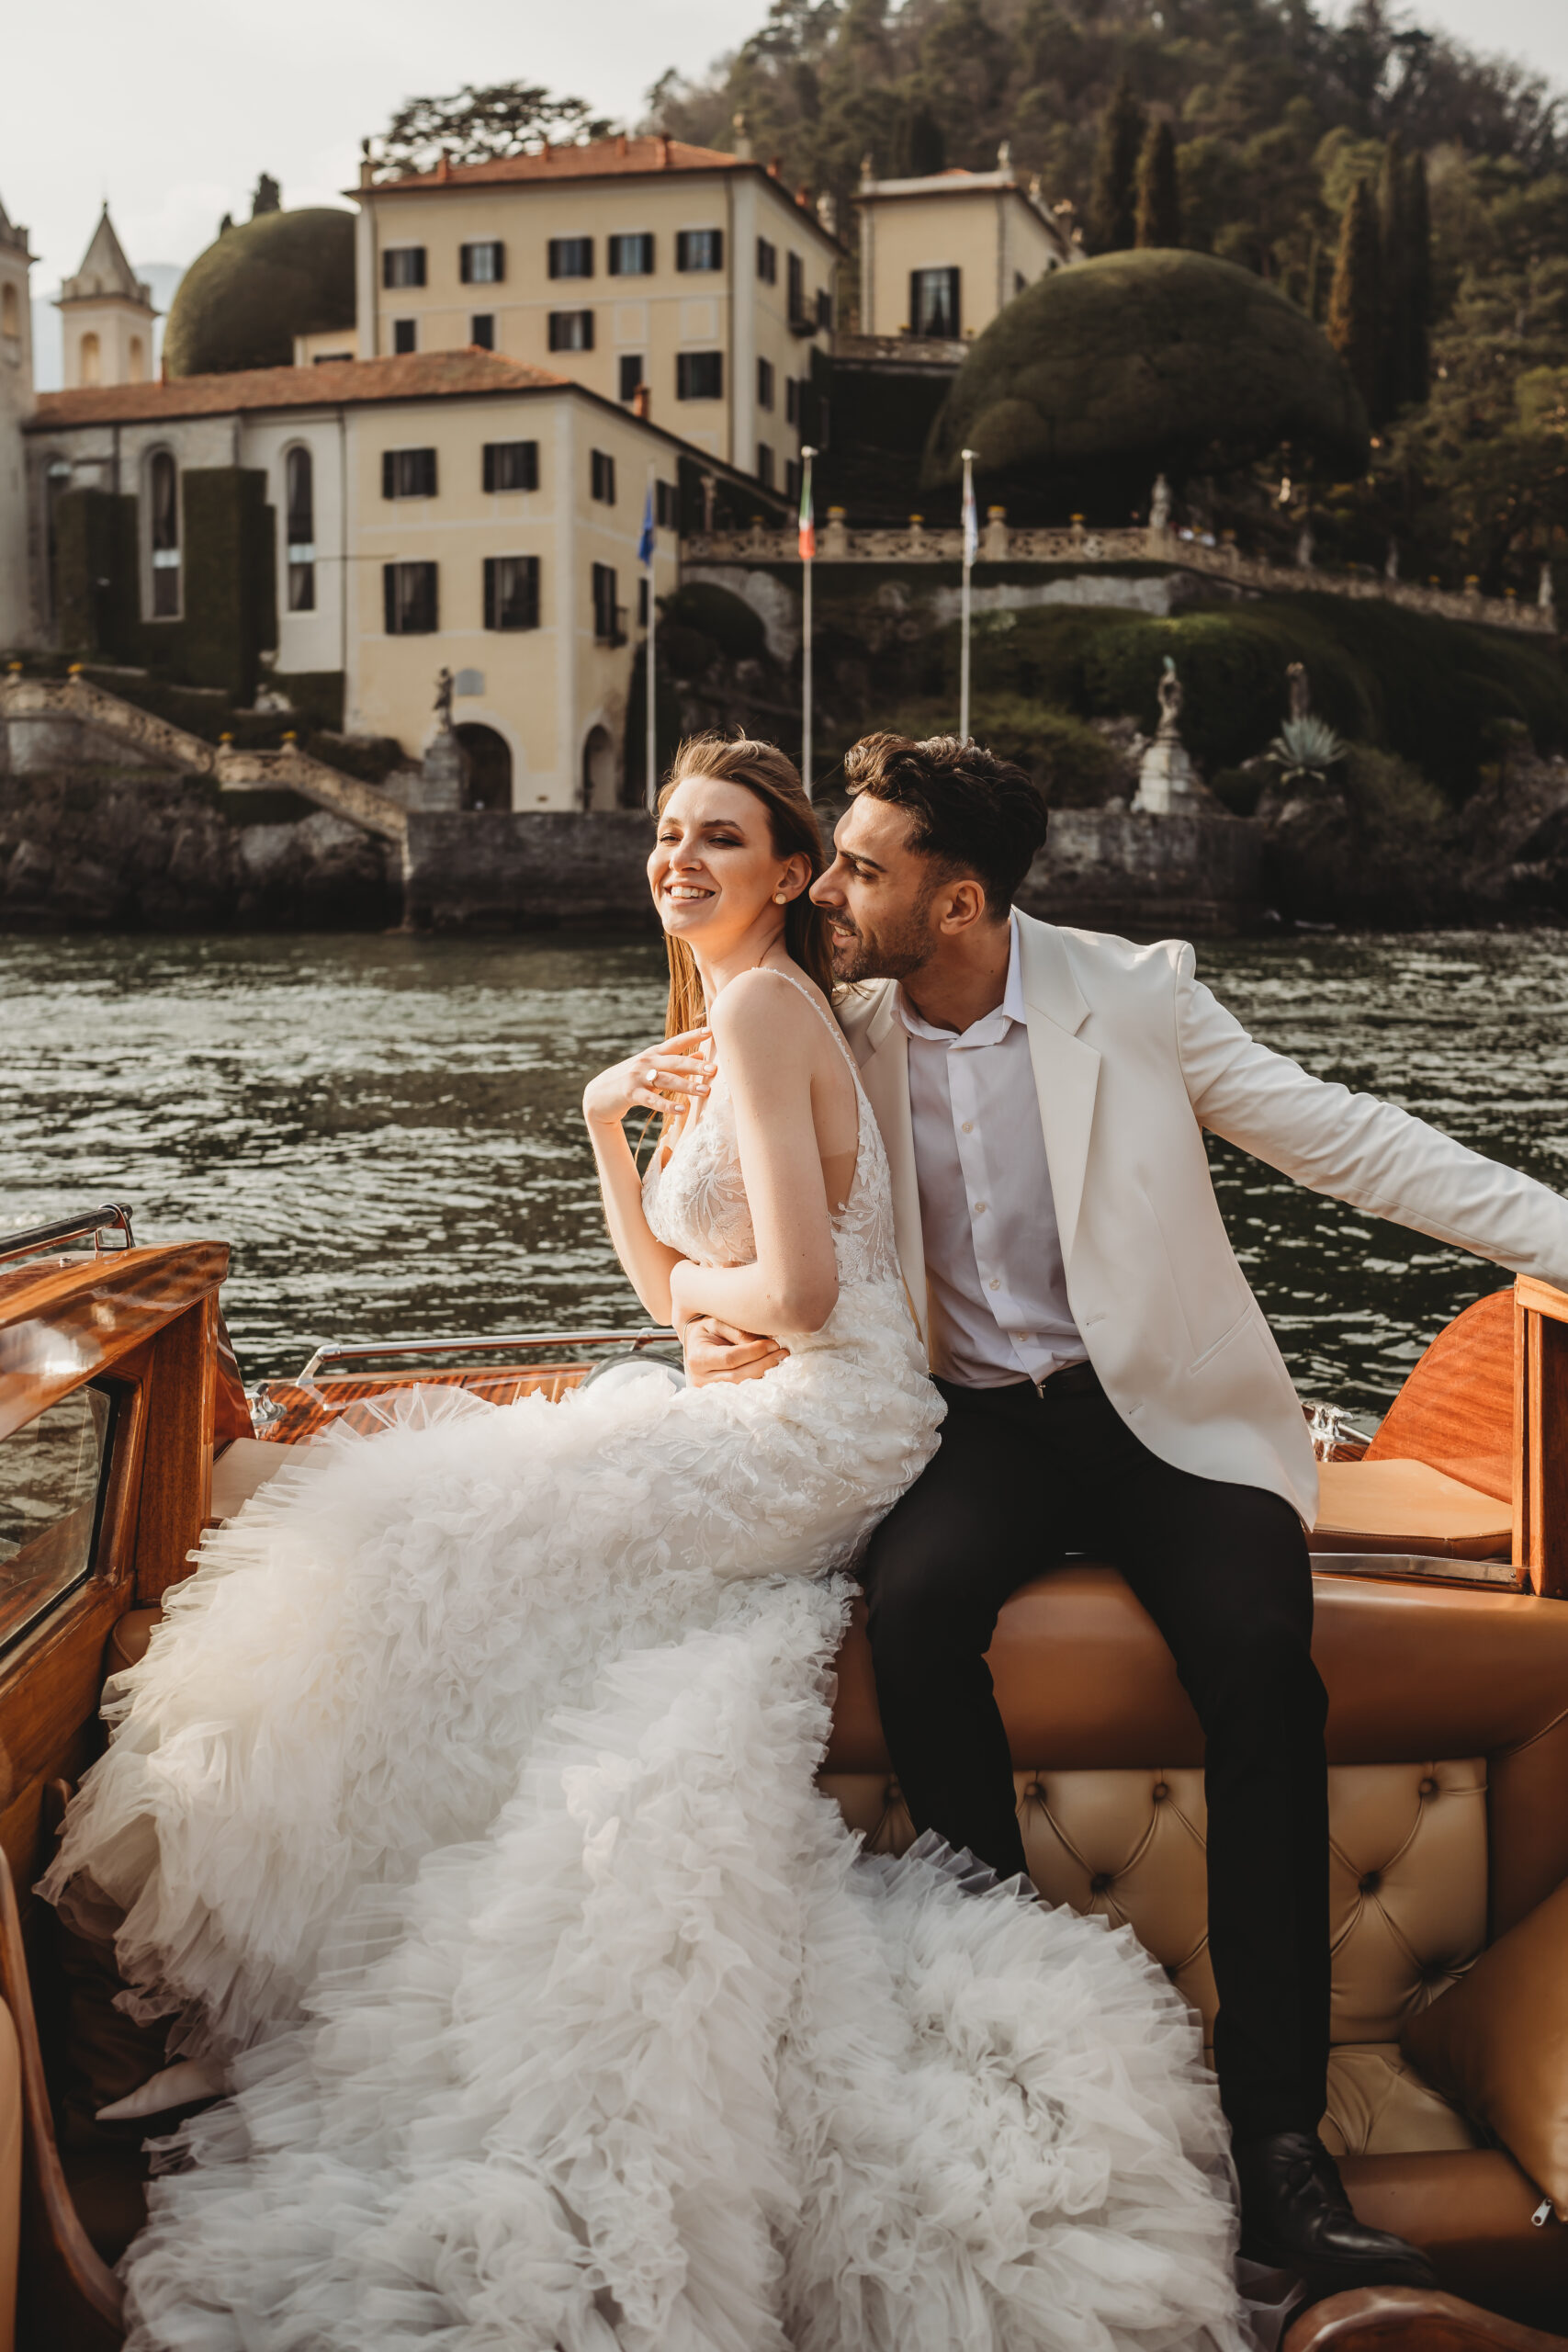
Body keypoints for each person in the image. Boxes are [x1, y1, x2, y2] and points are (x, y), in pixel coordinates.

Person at [44, 735, 1249, 2352]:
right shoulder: (719, 1011)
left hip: (833, 1417)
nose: (679, 860)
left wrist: (706, 1305)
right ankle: (309, 2005)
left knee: (407, 1539)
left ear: (786, 872)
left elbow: (803, 1299)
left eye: (720, 840)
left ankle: (286, 2004)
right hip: (771, 1399)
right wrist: (609, 1129)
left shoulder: (763, 1005)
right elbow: (670, 1290)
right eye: (668, 835)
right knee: (444, 1547)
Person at [682, 729, 1568, 2301]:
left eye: (866, 867)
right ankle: (1012, 2015)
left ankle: (1281, 2139)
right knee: (923, 1608)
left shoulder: (1136, 997)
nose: (833, 886)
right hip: (978, 1426)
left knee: (1258, 1657)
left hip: (1162, 1417)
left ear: (959, 905)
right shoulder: (844, 1015)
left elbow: (1350, 1140)